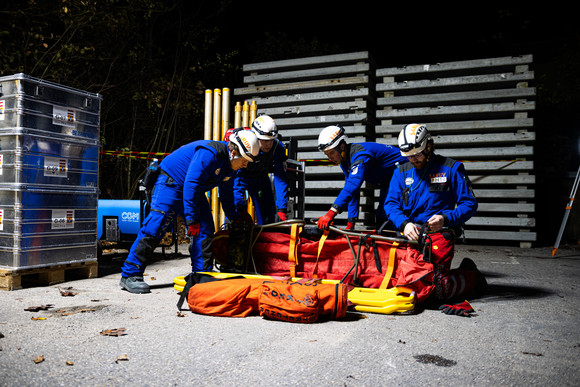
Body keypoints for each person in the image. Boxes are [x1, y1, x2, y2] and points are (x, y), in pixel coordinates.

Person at [119, 129, 260, 294]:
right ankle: (130, 274)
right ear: (234, 152)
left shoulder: (231, 167)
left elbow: (226, 195)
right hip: (171, 181)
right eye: (245, 160)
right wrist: (192, 220)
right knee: (156, 226)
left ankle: (202, 274)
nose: (246, 165)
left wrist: (235, 217)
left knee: (206, 229)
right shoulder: (210, 154)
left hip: (193, 189)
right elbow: (190, 184)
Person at [384, 123, 485, 306]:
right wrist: (404, 224)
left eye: (417, 154)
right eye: (409, 156)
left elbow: (469, 203)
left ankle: (471, 275)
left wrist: (446, 219)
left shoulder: (451, 168)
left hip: (439, 233)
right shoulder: (401, 171)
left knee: (436, 291)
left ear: (428, 146)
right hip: (410, 233)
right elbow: (390, 204)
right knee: (396, 284)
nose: (413, 159)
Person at [316, 124, 407, 230]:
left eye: (331, 152)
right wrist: (350, 224)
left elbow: (353, 185)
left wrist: (331, 213)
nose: (330, 158)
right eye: (327, 154)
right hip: (389, 180)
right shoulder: (345, 161)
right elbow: (352, 192)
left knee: (391, 215)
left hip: (407, 172)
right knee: (381, 219)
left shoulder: (359, 155)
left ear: (341, 147)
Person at [225, 115, 290, 225]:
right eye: (265, 141)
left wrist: (282, 208)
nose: (269, 144)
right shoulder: (244, 143)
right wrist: (240, 207)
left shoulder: (277, 147)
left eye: (271, 140)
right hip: (241, 176)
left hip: (261, 178)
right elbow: (235, 177)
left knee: (268, 218)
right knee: (236, 217)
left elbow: (281, 177)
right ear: (255, 137)